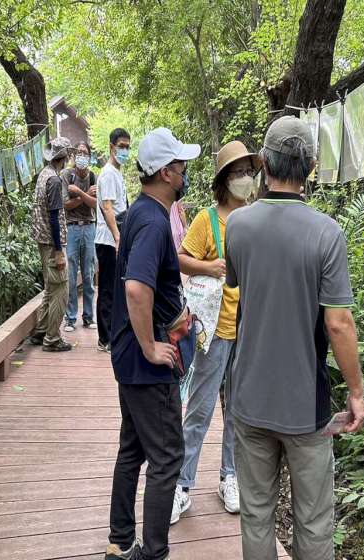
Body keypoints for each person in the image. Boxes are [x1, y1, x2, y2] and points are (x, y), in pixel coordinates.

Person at [225, 116, 364, 560]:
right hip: (306, 407)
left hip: (248, 398)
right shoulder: (327, 233)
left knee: (256, 516)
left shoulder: (238, 226)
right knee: (313, 521)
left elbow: (241, 287)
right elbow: (339, 323)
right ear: (310, 166)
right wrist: (357, 393)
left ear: (263, 162)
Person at [105, 128, 201, 560]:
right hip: (145, 362)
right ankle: (153, 553)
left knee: (134, 447)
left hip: (129, 358)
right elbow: (137, 289)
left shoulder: (143, 213)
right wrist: (149, 346)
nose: (185, 173)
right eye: (181, 166)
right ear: (166, 172)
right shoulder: (153, 222)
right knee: (167, 457)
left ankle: (120, 539)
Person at [170, 140, 260, 524]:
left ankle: (230, 477)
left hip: (250, 331)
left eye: (248, 172)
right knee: (202, 408)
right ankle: (181, 485)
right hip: (215, 330)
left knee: (238, 411)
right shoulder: (208, 219)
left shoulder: (256, 217)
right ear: (224, 180)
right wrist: (211, 268)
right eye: (238, 173)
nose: (245, 179)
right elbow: (180, 259)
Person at [28, 136, 75, 352]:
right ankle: (52, 338)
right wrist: (59, 251)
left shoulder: (43, 175)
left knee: (50, 286)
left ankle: (40, 331)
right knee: (61, 289)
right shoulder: (54, 181)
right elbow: (55, 216)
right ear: (63, 157)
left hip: (41, 239)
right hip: (51, 241)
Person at [96, 128, 131, 353]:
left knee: (116, 287)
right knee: (108, 288)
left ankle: (112, 334)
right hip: (108, 239)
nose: (125, 150)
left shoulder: (117, 173)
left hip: (115, 238)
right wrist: (118, 238)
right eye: (121, 146)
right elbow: (107, 207)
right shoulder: (108, 173)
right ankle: (105, 338)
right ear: (111, 147)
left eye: (128, 147)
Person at [62, 141, 98, 332]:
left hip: (90, 227)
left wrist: (79, 193)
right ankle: (70, 318)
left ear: (89, 156)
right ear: (74, 156)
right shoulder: (67, 175)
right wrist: (85, 196)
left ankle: (89, 317)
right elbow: (65, 205)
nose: (81, 156)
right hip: (73, 227)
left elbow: (95, 204)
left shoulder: (93, 176)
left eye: (85, 153)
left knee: (89, 273)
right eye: (79, 153)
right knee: (71, 274)